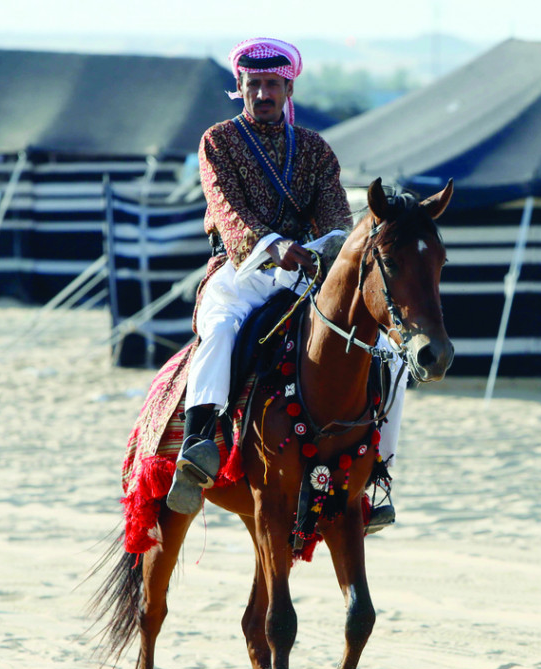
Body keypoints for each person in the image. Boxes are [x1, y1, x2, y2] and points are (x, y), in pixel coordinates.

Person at [167, 37, 401, 527]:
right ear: (240, 87)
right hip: (239, 274)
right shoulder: (217, 141)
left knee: (385, 353)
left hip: (304, 277)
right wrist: (272, 246)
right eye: (254, 85)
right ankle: (198, 445)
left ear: (288, 87)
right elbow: (228, 211)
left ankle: (376, 473)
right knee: (222, 332)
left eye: (273, 84)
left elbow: (335, 212)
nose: (263, 93)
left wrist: (336, 248)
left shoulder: (315, 149)